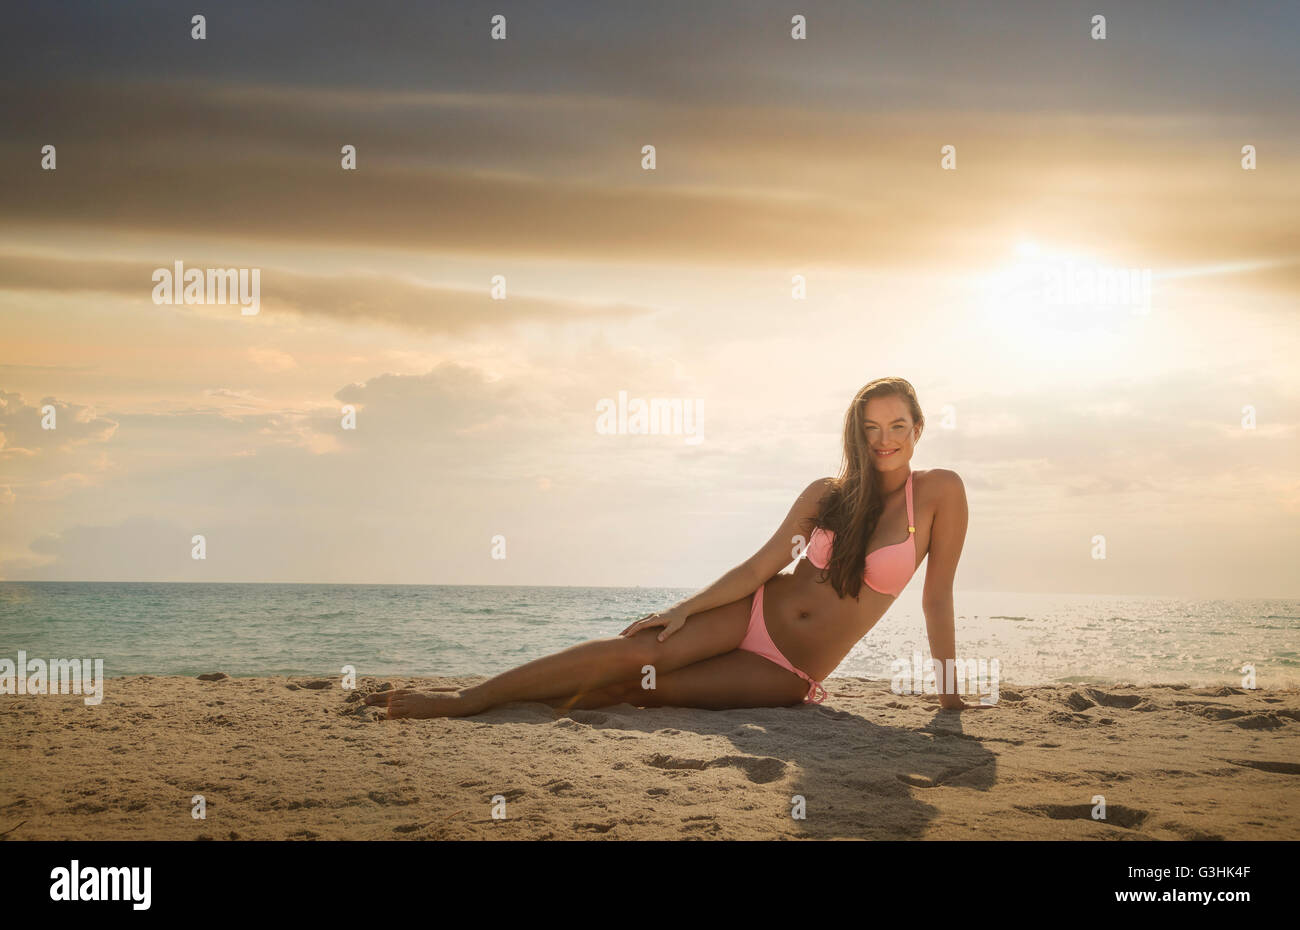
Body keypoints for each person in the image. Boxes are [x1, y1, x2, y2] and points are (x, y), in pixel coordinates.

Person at [367, 376, 985, 717]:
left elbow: (937, 600)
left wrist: (949, 693)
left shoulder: (940, 494)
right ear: (857, 433)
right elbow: (763, 564)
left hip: (787, 669)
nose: (885, 440)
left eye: (898, 426)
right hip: (749, 611)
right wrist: (687, 607)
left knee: (644, 689)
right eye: (872, 428)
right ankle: (465, 700)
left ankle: (547, 702)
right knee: (633, 651)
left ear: (918, 428)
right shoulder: (829, 492)